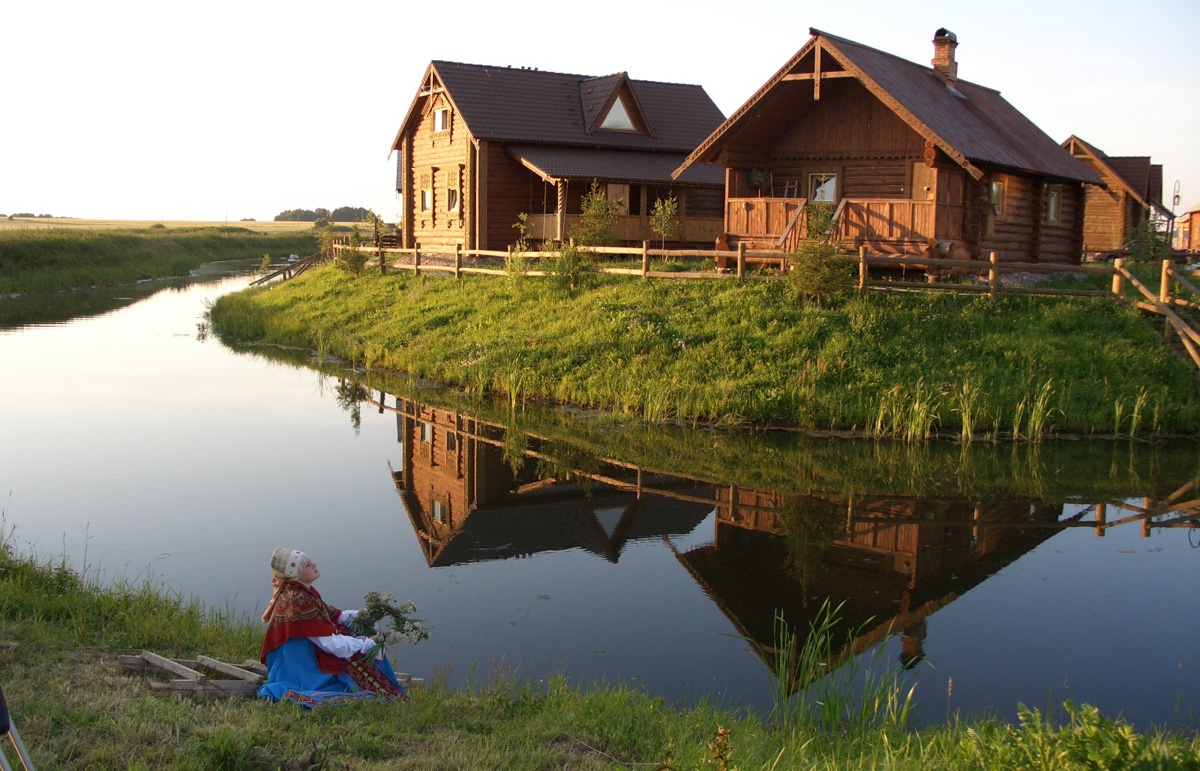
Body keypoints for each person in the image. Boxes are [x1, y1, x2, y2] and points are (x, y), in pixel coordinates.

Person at [258, 547, 407, 707]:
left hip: (299, 659)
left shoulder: (300, 591)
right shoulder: (297, 600)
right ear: (296, 575)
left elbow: (335, 615)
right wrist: (367, 642)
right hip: (298, 669)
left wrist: (367, 614)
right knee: (359, 643)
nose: (314, 565)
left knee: (356, 626)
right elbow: (331, 644)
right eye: (308, 565)